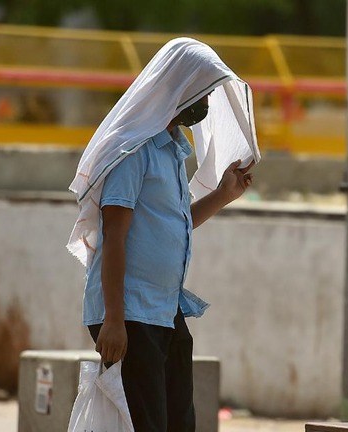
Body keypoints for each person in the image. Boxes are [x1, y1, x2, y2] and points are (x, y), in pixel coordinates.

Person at [66, 38, 260, 432]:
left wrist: (224, 194)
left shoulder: (171, 149)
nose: (205, 101)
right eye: (201, 90)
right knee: (146, 421)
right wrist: (115, 320)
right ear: (178, 88)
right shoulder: (132, 152)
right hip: (131, 313)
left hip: (164, 311)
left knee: (178, 422)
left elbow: (175, 222)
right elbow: (115, 236)